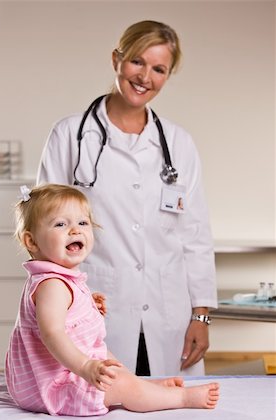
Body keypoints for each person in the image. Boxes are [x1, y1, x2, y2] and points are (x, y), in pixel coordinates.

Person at [37, 20, 218, 377]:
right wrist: (54, 307)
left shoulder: (178, 144)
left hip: (168, 314)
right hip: (93, 308)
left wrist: (200, 315)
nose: (145, 77)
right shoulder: (71, 135)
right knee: (98, 415)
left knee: (172, 419)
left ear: (167, 76)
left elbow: (194, 235)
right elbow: (45, 231)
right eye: (137, 61)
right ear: (117, 59)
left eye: (159, 69)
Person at [5, 184, 220, 416]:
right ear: (32, 242)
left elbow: (60, 314)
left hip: (56, 377)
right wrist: (85, 367)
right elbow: (52, 333)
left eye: (83, 223)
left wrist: (85, 305)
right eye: (60, 224)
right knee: (118, 383)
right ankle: (180, 397)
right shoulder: (53, 285)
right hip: (52, 386)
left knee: (111, 366)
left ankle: (143, 387)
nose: (75, 231)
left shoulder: (58, 279)